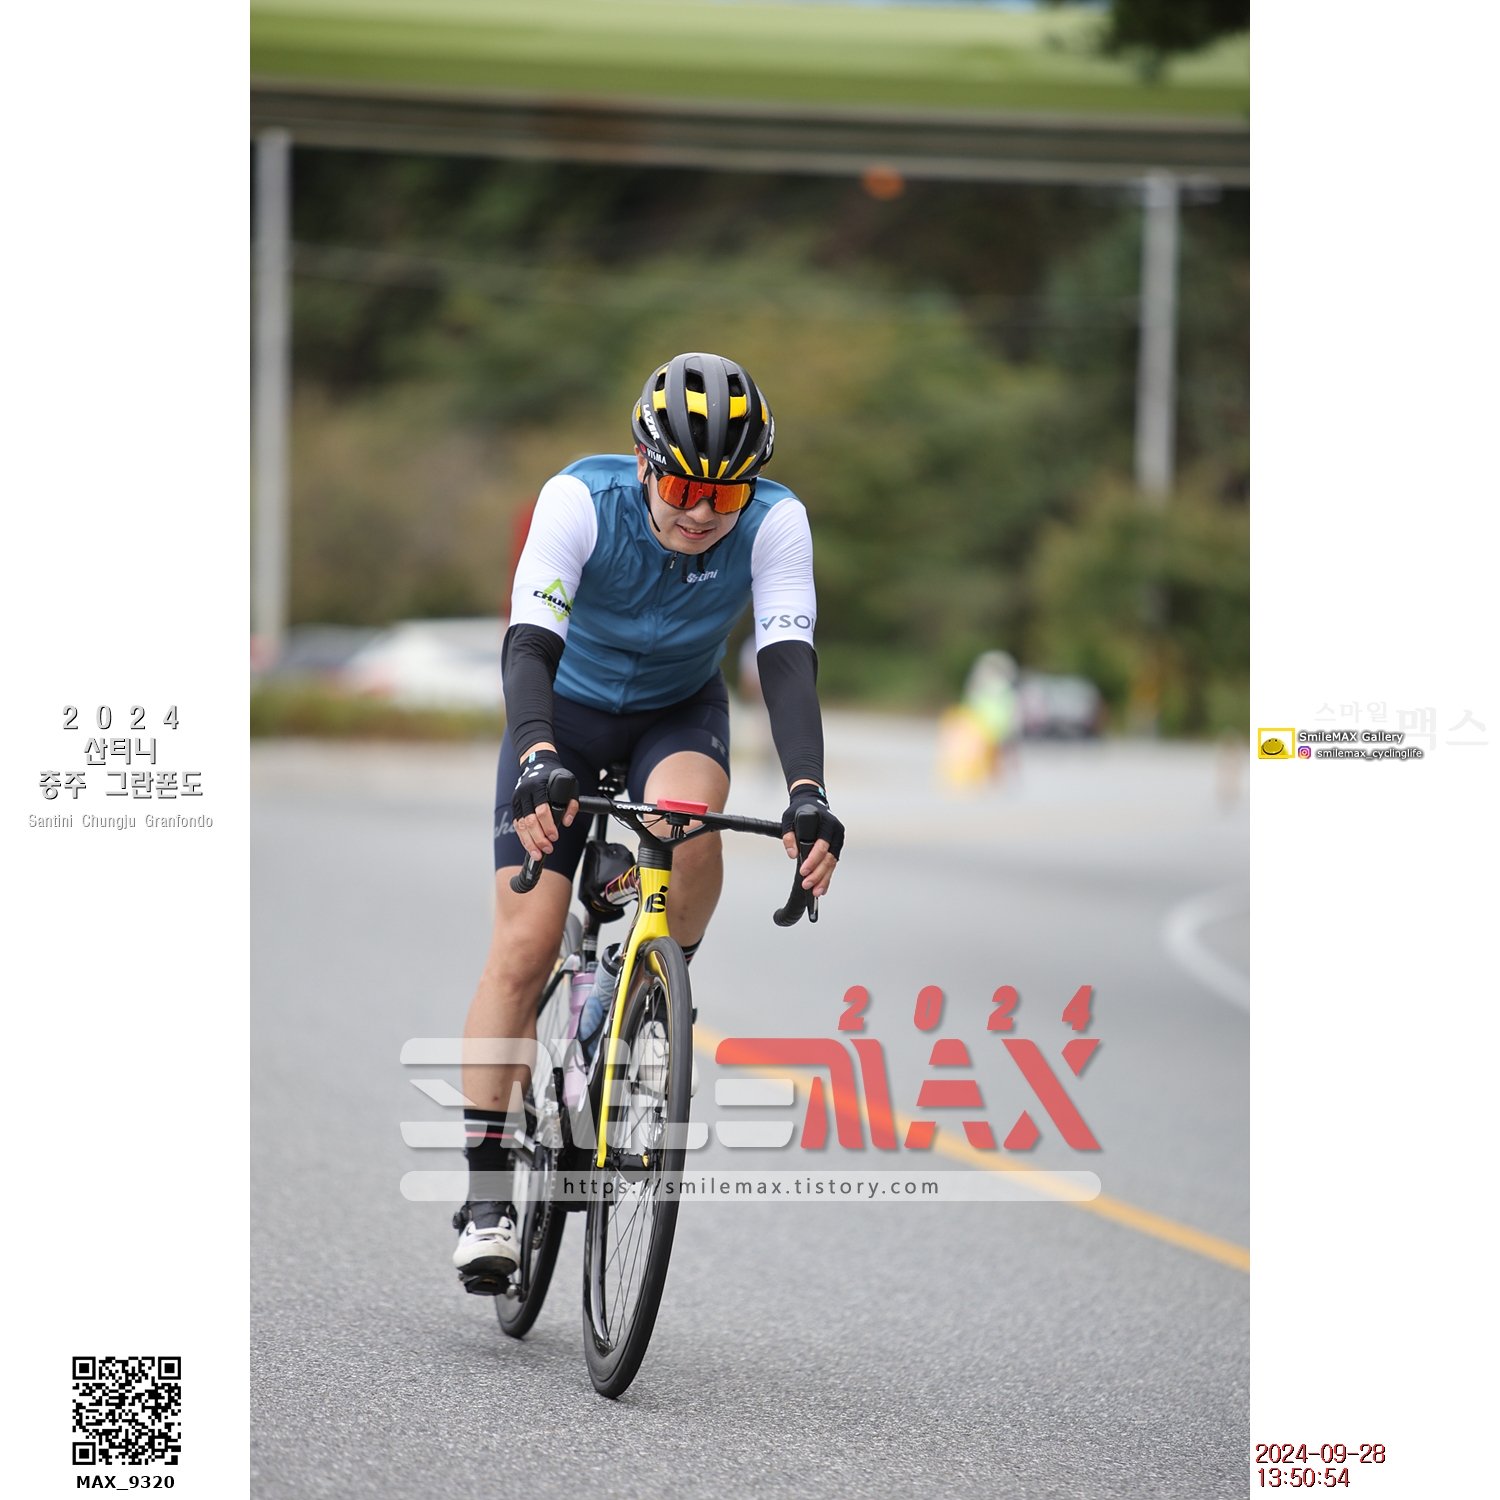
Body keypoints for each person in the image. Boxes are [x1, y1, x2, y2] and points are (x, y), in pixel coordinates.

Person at [452, 352, 846, 1291]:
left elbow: (785, 660)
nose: (702, 512)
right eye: (681, 487)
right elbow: (528, 643)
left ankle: (647, 983)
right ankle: (487, 1192)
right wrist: (537, 756)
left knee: (686, 821)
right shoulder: (578, 501)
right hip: (561, 714)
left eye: (725, 493)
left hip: (676, 715)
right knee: (525, 945)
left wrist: (808, 793)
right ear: (643, 463)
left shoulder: (776, 522)